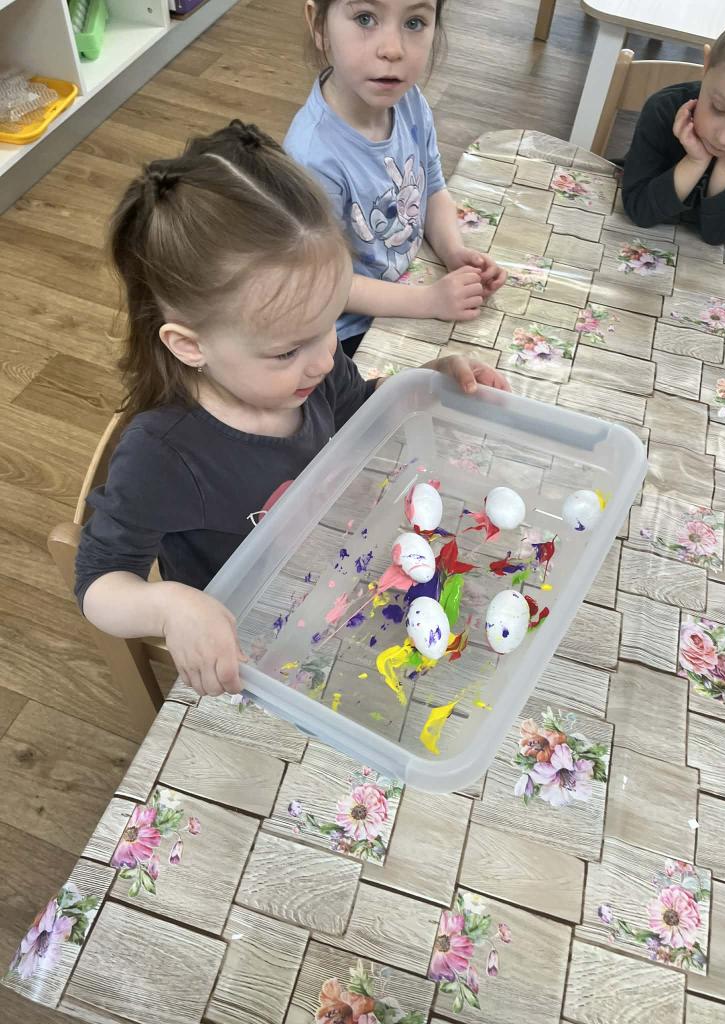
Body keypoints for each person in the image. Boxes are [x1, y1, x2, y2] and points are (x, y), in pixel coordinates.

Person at [75, 120, 510, 699]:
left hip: (337, 570)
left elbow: (366, 415)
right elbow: (97, 583)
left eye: (330, 324)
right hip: (253, 638)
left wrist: (428, 381)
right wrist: (170, 606)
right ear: (190, 346)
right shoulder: (164, 454)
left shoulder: (315, 373)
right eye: (286, 351)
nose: (325, 359)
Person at [284, 0, 508, 356]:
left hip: (414, 280)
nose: (393, 49)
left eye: (414, 22)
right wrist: (430, 301)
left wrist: (454, 252)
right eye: (365, 18)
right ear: (320, 25)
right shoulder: (312, 156)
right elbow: (322, 285)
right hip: (347, 334)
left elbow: (431, 187)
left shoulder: (410, 102)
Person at [622, 0, 725, 245]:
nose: (724, 138)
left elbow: (721, 235)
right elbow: (639, 210)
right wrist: (695, 161)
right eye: (718, 108)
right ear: (707, 65)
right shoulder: (663, 110)